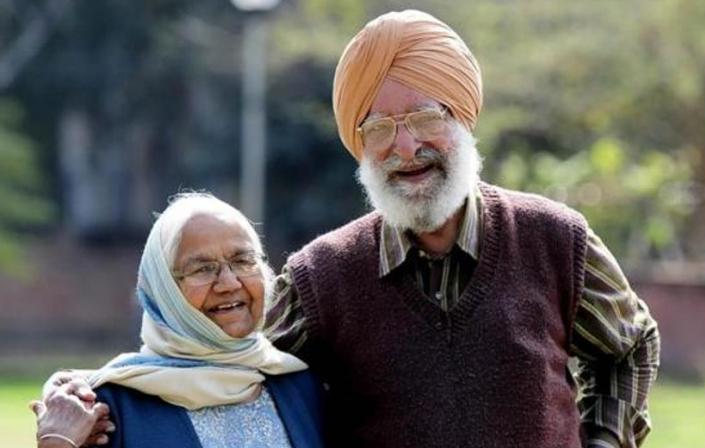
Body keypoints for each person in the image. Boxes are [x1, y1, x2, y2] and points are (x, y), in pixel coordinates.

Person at [42, 9, 659, 448]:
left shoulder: (555, 239)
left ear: (464, 118)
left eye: (423, 116)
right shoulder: (322, 276)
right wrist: (95, 394)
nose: (404, 146)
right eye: (376, 128)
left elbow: (630, 346)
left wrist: (604, 440)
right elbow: (229, 361)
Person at [31, 193, 324, 448]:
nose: (229, 282)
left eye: (243, 261)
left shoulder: (300, 386)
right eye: (202, 269)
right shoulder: (106, 409)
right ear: (163, 289)